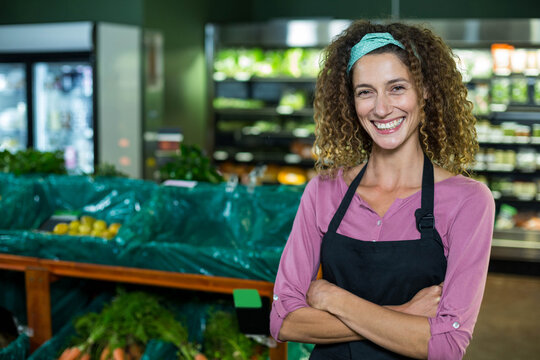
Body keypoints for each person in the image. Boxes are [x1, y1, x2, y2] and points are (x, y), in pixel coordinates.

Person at [269, 20, 495, 359]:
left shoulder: (468, 201)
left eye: (397, 88)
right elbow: (283, 321)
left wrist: (335, 300)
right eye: (365, 92)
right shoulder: (323, 192)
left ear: (426, 91)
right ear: (351, 102)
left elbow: (447, 344)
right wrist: (405, 313)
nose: (381, 108)